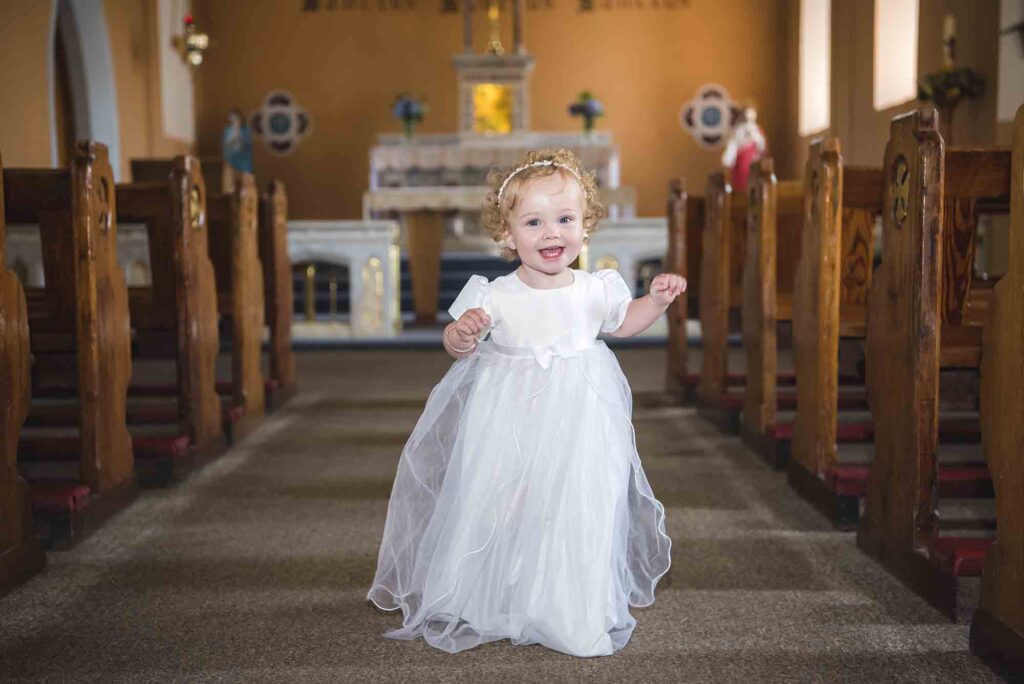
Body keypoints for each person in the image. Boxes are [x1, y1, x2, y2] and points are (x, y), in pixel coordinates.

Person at [367, 148, 684, 657]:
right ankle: (495, 597)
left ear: (586, 226)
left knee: (579, 502)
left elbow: (624, 324)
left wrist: (657, 301)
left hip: (580, 415)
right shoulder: (493, 294)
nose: (551, 233)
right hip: (509, 416)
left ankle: (571, 605)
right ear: (508, 234)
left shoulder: (596, 288)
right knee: (503, 499)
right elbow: (457, 344)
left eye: (565, 219)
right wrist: (462, 334)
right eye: (534, 222)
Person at [721, 106, 766, 192]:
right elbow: (732, 147)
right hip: (740, 164)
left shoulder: (757, 130)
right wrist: (727, 160)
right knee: (740, 187)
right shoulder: (738, 131)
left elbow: (762, 148)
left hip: (754, 164)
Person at [221, 107, 254, 174]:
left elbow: (247, 143)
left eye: (236, 117)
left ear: (240, 118)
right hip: (231, 161)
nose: (234, 120)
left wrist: (237, 131)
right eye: (231, 117)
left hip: (244, 162)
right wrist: (226, 161)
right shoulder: (227, 130)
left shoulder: (246, 130)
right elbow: (225, 146)